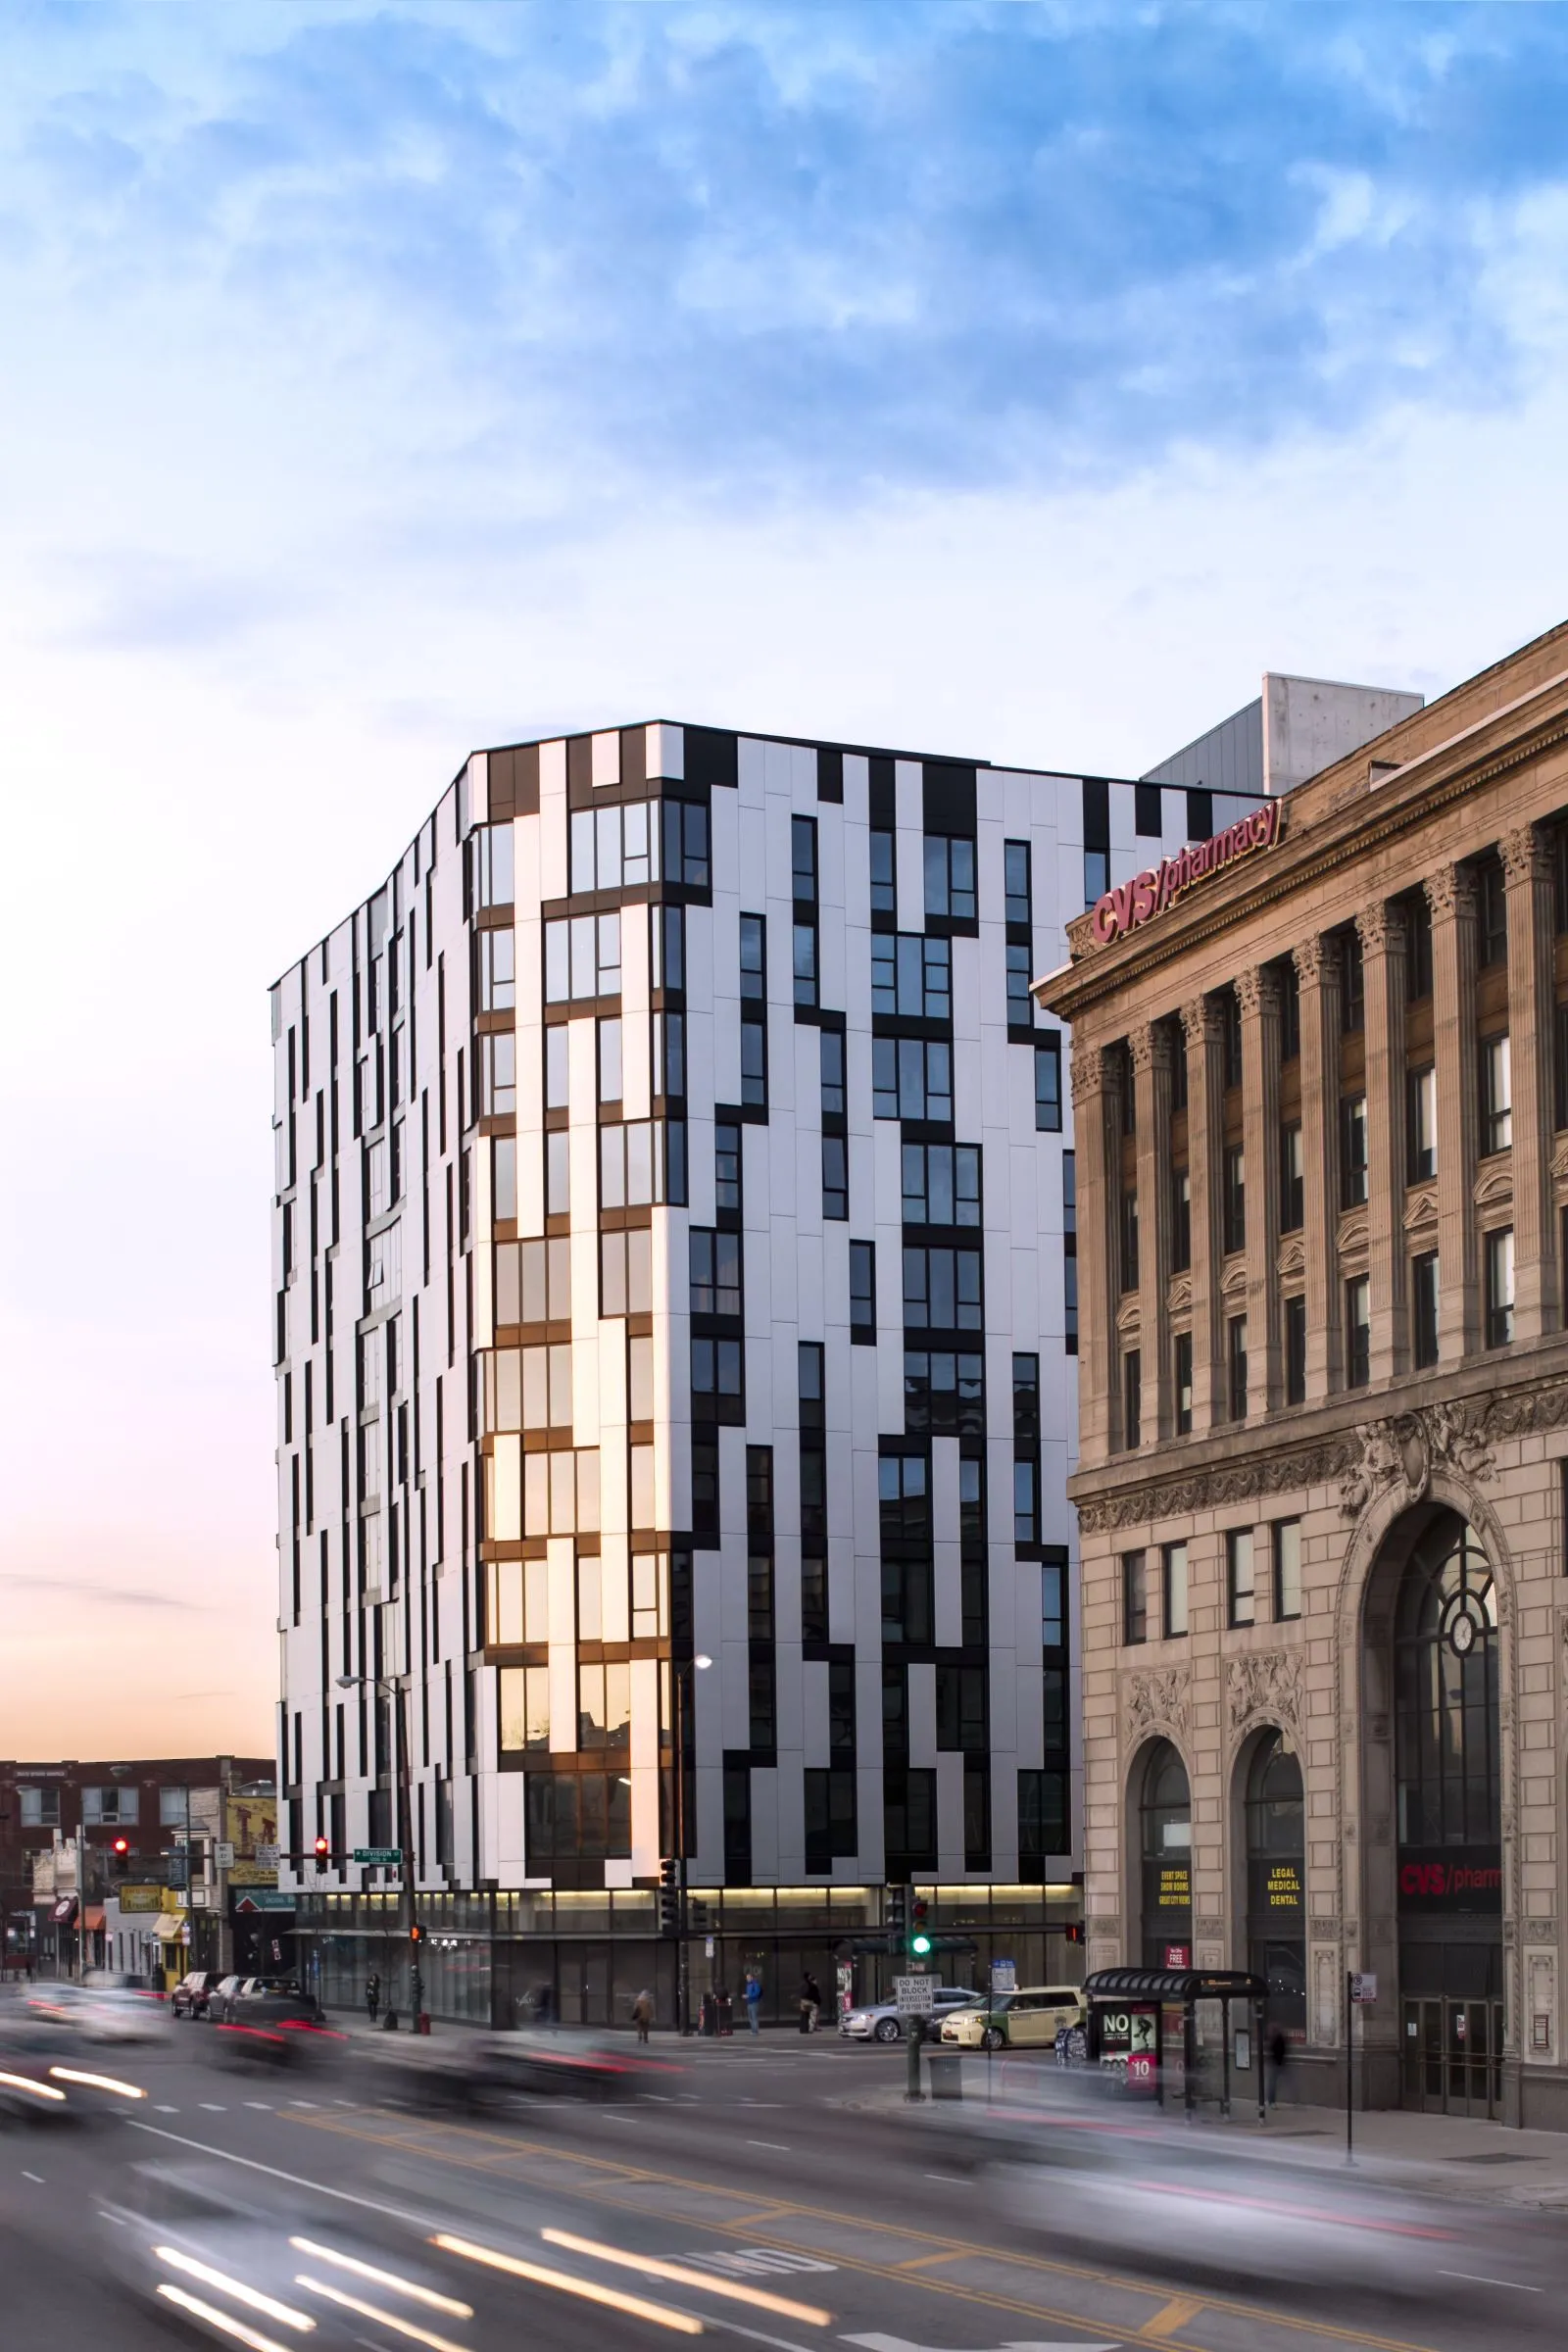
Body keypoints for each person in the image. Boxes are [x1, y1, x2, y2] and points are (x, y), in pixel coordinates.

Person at [1268, 2026, 1290, 2108]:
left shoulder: (1276, 2039)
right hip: (1278, 2064)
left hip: (1276, 2064)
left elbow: (1274, 2051)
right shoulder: (1278, 2039)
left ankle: (1271, 2101)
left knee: (1272, 2084)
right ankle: (1271, 2101)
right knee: (1273, 2084)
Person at [743, 1968, 762, 2035]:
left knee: (754, 2017)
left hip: (754, 2002)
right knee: (751, 2018)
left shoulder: (755, 1984)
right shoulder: (748, 1985)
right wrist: (746, 1996)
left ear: (751, 1977)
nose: (747, 1979)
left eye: (748, 1977)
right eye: (746, 1978)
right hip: (749, 2003)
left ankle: (755, 2031)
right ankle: (753, 2030)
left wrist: (748, 1996)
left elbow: (756, 1993)